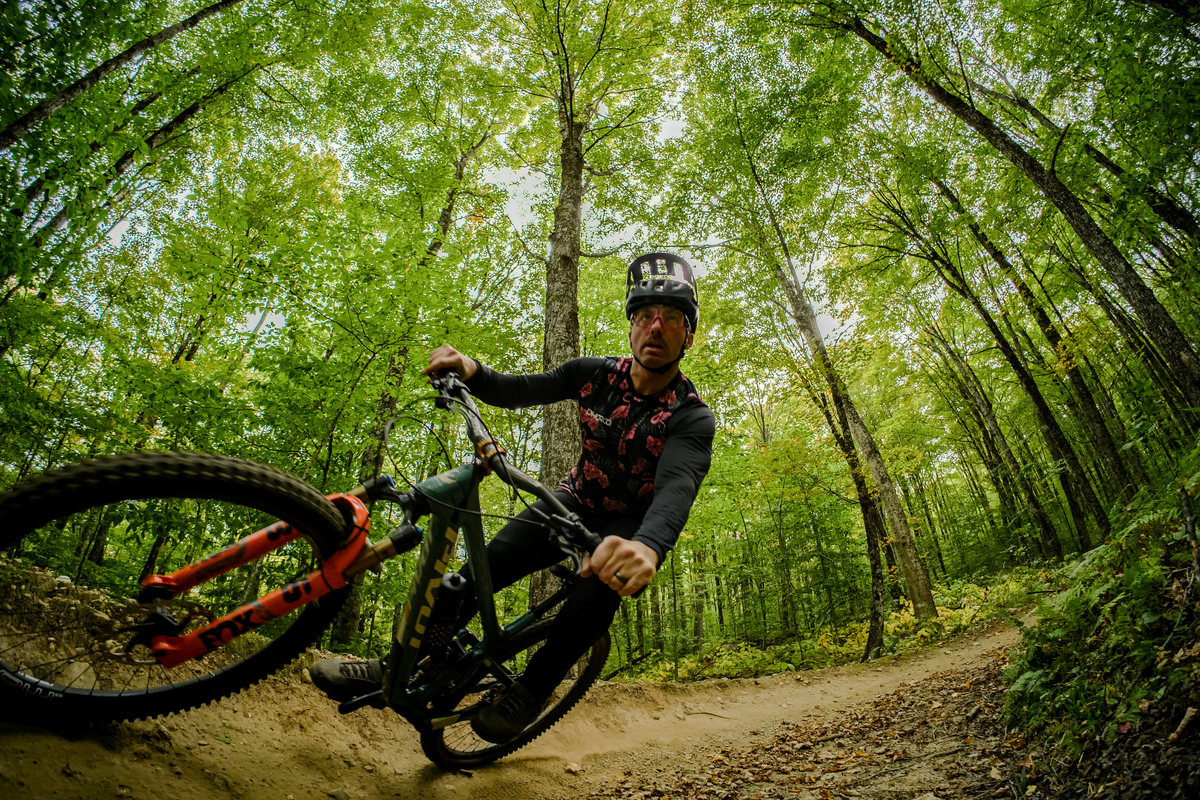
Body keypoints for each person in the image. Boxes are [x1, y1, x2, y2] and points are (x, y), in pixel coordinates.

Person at [310, 252, 716, 743]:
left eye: (672, 318)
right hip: (570, 501)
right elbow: (519, 389)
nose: (657, 326)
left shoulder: (691, 416)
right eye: (646, 315)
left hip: (628, 530)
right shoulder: (593, 375)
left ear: (687, 336)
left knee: (596, 594)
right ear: (631, 326)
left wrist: (648, 547)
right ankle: (392, 665)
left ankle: (532, 690)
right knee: (479, 570)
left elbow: (676, 490)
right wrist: (471, 368)